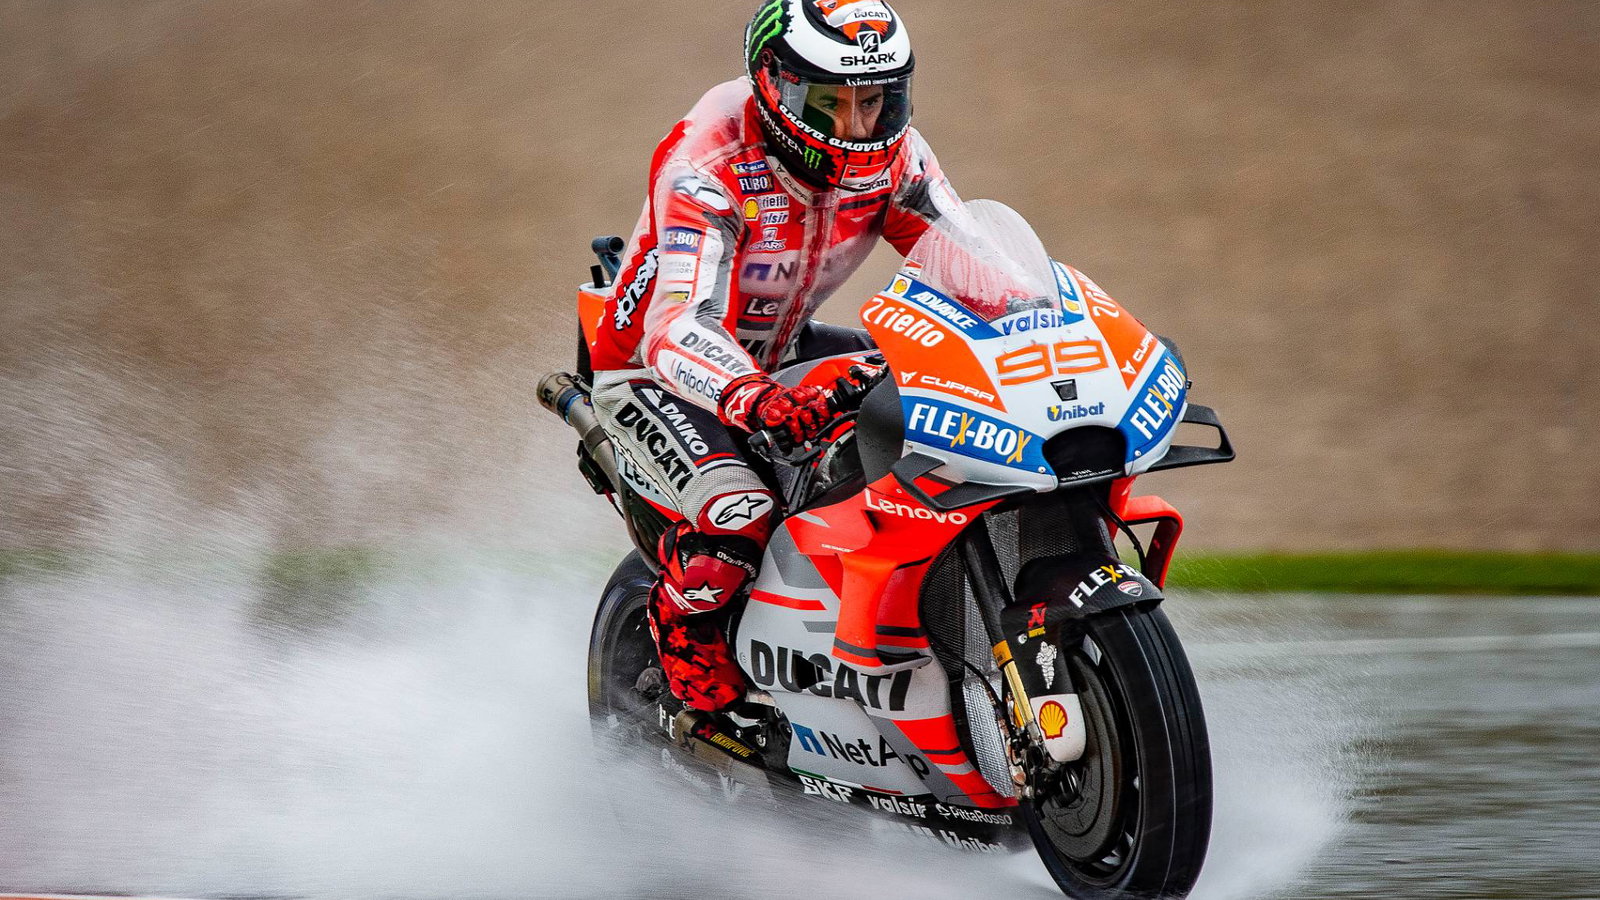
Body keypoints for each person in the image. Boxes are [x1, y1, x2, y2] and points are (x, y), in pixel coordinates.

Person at [587, 0, 962, 714]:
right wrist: (753, 397)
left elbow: (972, 265)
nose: (858, 129)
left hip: (783, 348)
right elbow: (675, 325)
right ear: (774, 82)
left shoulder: (899, 155)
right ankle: (691, 662)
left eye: (875, 102)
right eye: (830, 104)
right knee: (738, 513)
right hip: (656, 371)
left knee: (947, 401)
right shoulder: (707, 158)